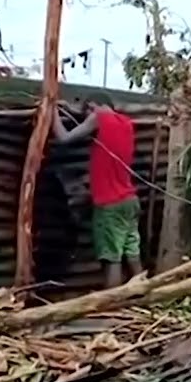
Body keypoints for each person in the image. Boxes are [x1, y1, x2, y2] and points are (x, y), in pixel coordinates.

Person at [53, 94, 142, 288]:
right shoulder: (126, 122)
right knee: (132, 252)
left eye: (86, 112)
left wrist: (51, 110)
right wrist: (70, 106)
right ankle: (145, 296)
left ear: (94, 107)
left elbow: (64, 137)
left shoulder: (98, 117)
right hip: (130, 200)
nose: (85, 118)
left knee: (112, 258)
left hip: (110, 203)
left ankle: (112, 306)